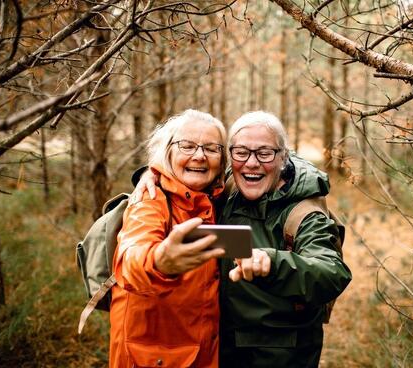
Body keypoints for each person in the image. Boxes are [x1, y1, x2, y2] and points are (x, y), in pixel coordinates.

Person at [136, 111, 352, 368]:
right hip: (218, 349)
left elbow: (332, 272)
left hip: (279, 356)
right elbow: (186, 170)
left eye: (264, 153)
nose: (251, 163)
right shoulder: (226, 189)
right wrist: (151, 175)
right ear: (230, 157)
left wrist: (272, 262)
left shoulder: (304, 213)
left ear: (283, 157)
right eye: (241, 152)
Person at [110, 109, 227, 368]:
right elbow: (131, 258)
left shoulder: (218, 198)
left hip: (201, 352)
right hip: (151, 358)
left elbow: (271, 155)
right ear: (168, 152)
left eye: (211, 148)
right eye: (187, 146)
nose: (199, 155)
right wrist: (159, 262)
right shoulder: (150, 200)